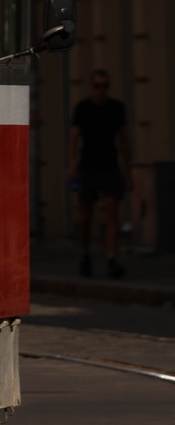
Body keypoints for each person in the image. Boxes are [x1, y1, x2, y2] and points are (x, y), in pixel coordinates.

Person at [68, 69, 132, 278]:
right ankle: (85, 254)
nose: (101, 90)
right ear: (91, 86)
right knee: (85, 217)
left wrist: (128, 170)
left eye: (105, 86)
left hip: (110, 167)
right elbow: (74, 139)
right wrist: (71, 166)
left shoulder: (116, 108)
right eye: (97, 85)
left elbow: (123, 140)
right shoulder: (83, 109)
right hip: (88, 168)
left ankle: (111, 258)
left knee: (112, 213)